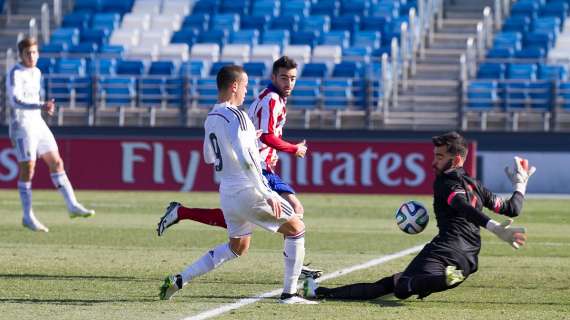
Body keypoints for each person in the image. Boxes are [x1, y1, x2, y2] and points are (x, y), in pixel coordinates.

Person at [302, 131, 534, 301]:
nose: (433, 162)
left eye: (440, 157)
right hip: (469, 258)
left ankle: (443, 278)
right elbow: (512, 208)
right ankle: (322, 293)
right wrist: (520, 185)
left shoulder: (446, 183)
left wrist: (495, 228)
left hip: (445, 249)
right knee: (391, 283)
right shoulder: (477, 185)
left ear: (456, 160)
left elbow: (463, 206)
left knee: (402, 286)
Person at [159, 65, 316, 304]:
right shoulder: (238, 115)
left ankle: (181, 279)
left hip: (228, 194)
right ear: (234, 86)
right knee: (297, 228)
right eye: (244, 86)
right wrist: (268, 193)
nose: (246, 92)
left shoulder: (211, 117)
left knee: (237, 247)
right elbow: (247, 159)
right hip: (249, 190)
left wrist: (249, 138)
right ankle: (289, 293)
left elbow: (209, 157)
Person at [6, 37, 94, 232]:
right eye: (27, 53)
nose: (31, 56)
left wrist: (45, 107)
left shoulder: (37, 72)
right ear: (20, 55)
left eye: (34, 52)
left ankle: (72, 205)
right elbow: (14, 101)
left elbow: (34, 98)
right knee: (28, 169)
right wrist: (41, 105)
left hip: (37, 122)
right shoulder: (14, 73)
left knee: (56, 162)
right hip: (21, 126)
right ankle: (28, 216)